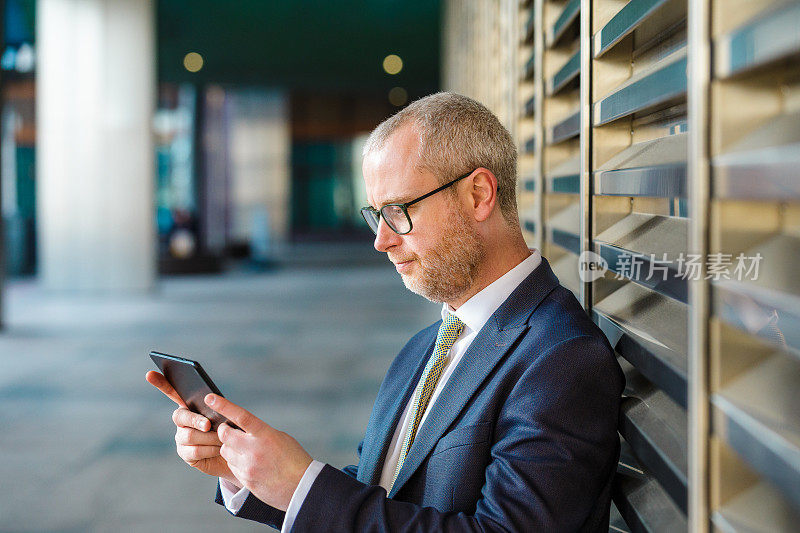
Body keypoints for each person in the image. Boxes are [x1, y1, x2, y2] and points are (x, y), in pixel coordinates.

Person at [147, 92, 624, 532]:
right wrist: (252, 473)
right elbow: (387, 488)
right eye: (375, 215)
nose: (382, 240)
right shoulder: (426, 345)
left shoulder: (563, 357)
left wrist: (302, 486)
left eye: (398, 211)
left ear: (479, 194)